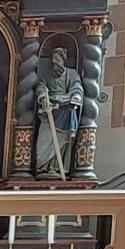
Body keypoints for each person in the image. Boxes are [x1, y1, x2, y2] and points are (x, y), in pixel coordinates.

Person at [34, 47, 84, 178]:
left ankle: (55, 168)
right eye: (53, 59)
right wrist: (43, 97)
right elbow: (40, 87)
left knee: (62, 141)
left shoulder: (72, 74)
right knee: (44, 140)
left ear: (63, 60)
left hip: (65, 112)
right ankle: (43, 167)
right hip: (49, 111)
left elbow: (77, 87)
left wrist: (75, 97)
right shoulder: (46, 76)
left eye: (57, 59)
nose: (54, 62)